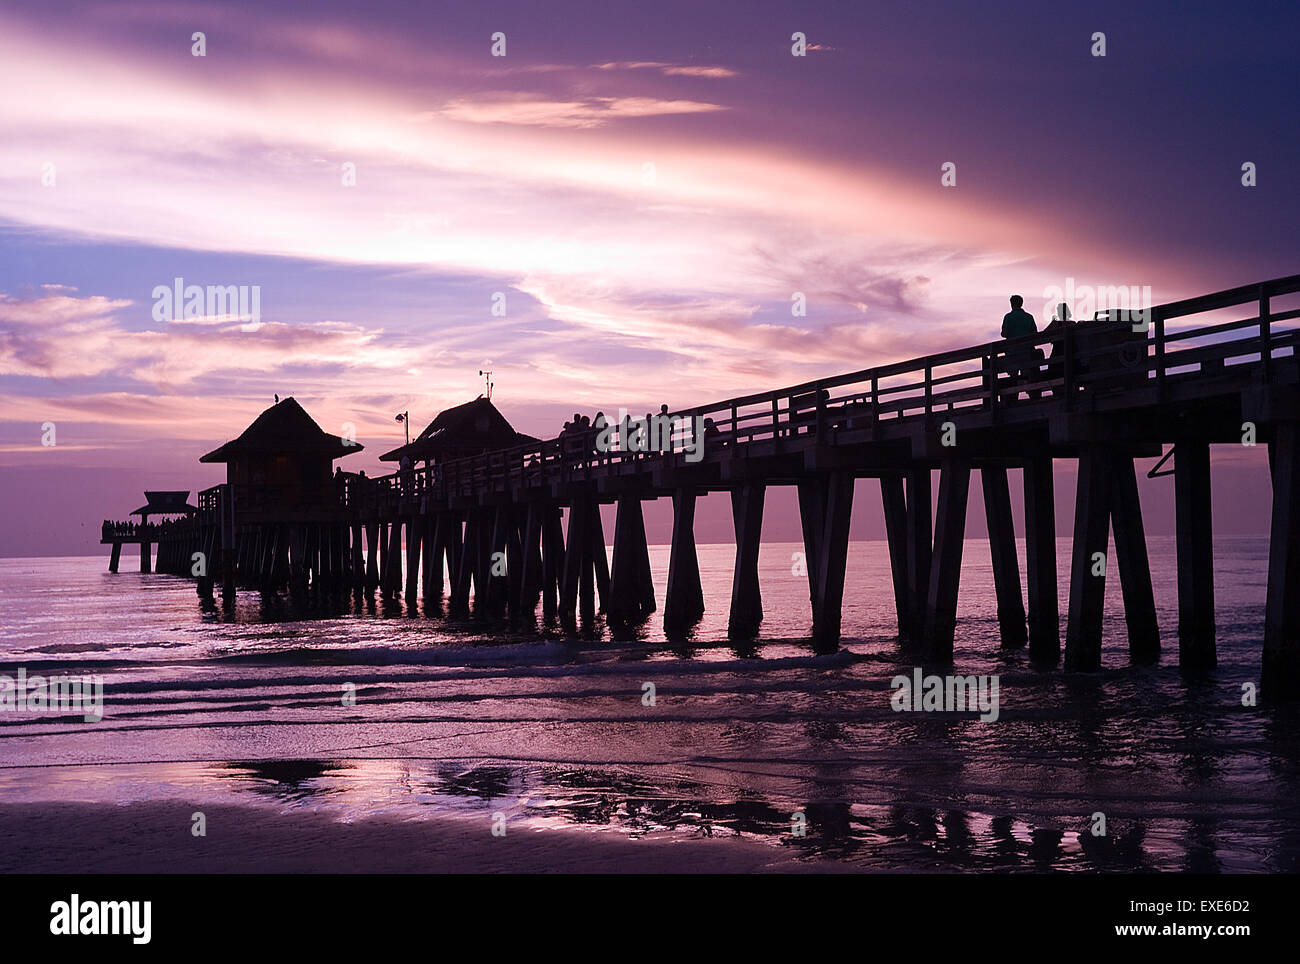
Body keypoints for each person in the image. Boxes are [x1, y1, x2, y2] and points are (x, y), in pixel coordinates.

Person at [1000, 294, 1042, 400]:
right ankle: (1033, 398)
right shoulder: (1029, 317)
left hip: (1012, 353)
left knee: (1013, 377)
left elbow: (1004, 333)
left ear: (1011, 304)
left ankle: (1014, 399)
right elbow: (1035, 333)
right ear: (1021, 303)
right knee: (1028, 375)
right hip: (1027, 352)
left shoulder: (1008, 317)